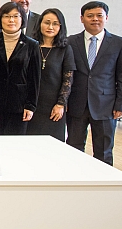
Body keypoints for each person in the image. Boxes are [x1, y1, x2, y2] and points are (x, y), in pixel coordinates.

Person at [67, 1, 122, 165]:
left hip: (106, 106)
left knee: (104, 150)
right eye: (90, 16)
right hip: (76, 104)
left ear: (106, 18)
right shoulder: (70, 42)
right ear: (82, 19)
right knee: (73, 148)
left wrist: (121, 104)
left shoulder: (120, 43)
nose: (95, 19)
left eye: (99, 15)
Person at [0, 2, 41, 135]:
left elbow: (34, 78)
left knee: (13, 147)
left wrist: (30, 105)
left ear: (22, 19)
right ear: (0, 19)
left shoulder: (32, 45)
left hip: (18, 106)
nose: (11, 20)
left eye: (15, 16)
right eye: (7, 16)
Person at [26, 9, 75, 142]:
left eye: (55, 24)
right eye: (47, 22)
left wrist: (61, 104)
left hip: (53, 107)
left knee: (53, 146)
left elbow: (68, 79)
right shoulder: (30, 46)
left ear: (61, 27)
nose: (50, 27)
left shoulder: (65, 49)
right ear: (40, 23)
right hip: (31, 104)